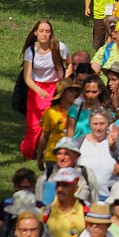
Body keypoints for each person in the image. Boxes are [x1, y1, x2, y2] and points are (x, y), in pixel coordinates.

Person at [19, 19, 69, 159]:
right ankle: (28, 150)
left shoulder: (60, 47)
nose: (44, 34)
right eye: (41, 31)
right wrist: (39, 91)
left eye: (47, 31)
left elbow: (69, 64)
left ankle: (49, 151)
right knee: (34, 124)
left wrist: (65, 80)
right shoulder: (30, 51)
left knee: (50, 120)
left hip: (54, 86)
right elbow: (27, 77)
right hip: (36, 88)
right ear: (35, 33)